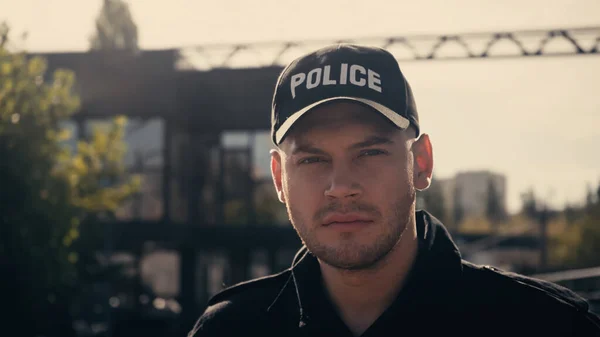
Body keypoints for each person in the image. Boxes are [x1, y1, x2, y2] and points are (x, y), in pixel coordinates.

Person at [188, 44, 600, 337]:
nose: (341, 187)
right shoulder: (232, 327)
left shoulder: (544, 324)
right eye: (313, 160)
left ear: (421, 163)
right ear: (279, 178)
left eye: (369, 153)